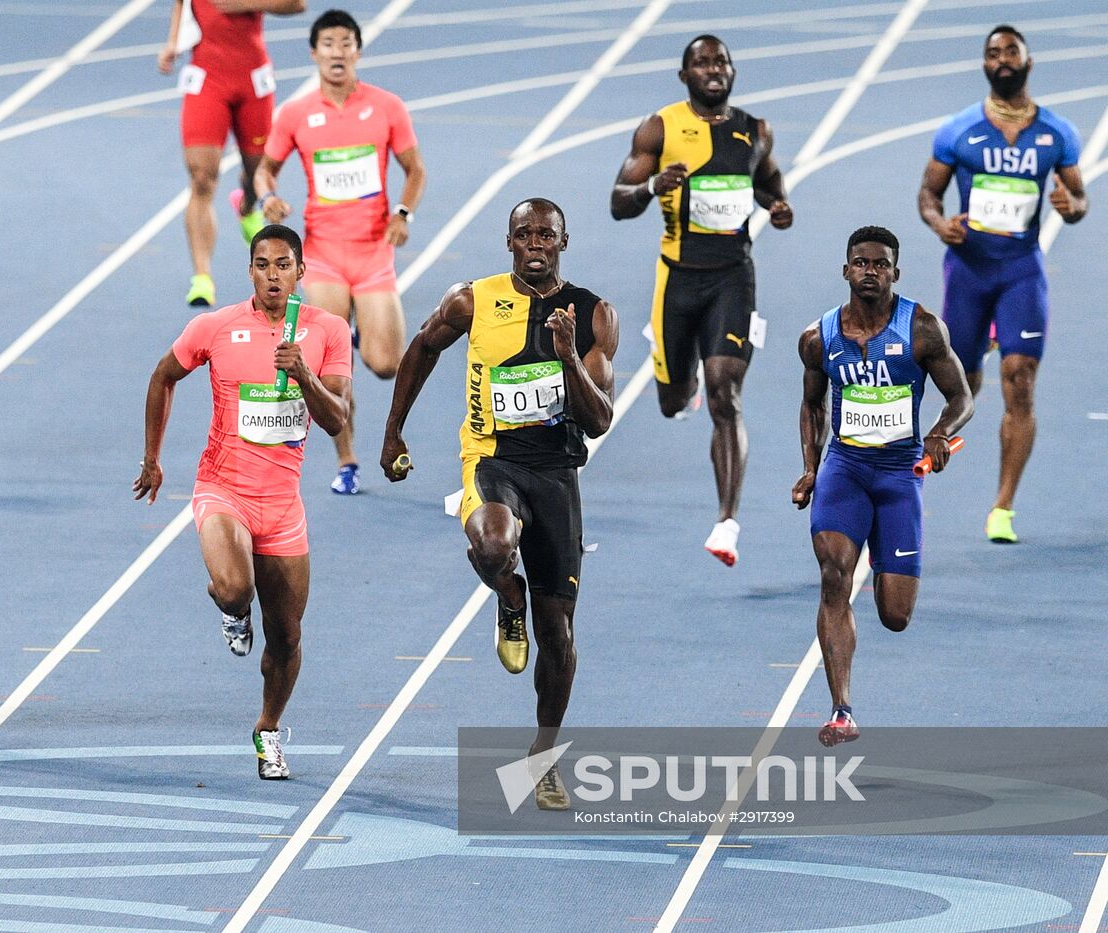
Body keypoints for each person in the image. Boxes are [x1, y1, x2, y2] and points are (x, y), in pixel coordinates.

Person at [380, 199, 618, 809]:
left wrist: (568, 355)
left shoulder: (593, 314)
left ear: (565, 239)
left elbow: (598, 422)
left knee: (559, 638)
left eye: (546, 234)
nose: (535, 243)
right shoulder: (473, 300)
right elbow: (423, 348)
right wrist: (393, 430)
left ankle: (543, 758)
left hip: (557, 473)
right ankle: (508, 596)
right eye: (523, 234)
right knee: (490, 541)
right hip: (492, 461)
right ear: (508, 242)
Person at [133, 224, 351, 780]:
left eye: (283, 265)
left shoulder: (327, 330)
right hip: (222, 488)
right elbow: (163, 376)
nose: (272, 275)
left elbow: (337, 420)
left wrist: (302, 373)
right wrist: (152, 458)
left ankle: (269, 729)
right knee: (235, 586)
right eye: (262, 264)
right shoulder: (215, 326)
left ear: (301, 272)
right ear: (249, 270)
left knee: (287, 636)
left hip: (282, 505)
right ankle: (232, 609)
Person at [610, 34, 792, 566]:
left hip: (734, 278)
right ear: (684, 75)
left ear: (732, 71)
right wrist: (651, 189)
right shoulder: (659, 128)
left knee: (724, 393)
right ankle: (675, 371)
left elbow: (769, 185)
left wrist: (778, 206)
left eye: (721, 61)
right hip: (678, 281)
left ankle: (726, 521)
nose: (714, 69)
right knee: (673, 401)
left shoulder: (755, 130)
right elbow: (617, 203)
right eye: (702, 62)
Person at [792, 227, 972, 746]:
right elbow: (811, 405)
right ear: (845, 270)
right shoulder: (817, 338)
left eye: (881, 264)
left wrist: (939, 433)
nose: (870, 271)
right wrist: (810, 467)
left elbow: (961, 398)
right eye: (860, 263)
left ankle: (887, 571)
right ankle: (841, 709)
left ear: (895, 272)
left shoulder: (922, 329)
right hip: (844, 468)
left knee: (895, 615)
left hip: (898, 476)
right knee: (834, 576)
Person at [917, 24, 1087, 544]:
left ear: (1028, 62)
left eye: (1012, 50)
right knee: (962, 383)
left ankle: (1002, 507)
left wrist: (1070, 206)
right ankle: (973, 364)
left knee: (1020, 378)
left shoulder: (1056, 134)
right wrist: (939, 223)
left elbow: (1078, 199)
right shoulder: (958, 131)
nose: (1003, 59)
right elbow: (928, 193)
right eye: (993, 52)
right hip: (968, 271)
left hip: (1021, 269)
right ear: (985, 65)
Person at [256, 8, 425, 495]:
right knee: (332, 373)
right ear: (314, 53)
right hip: (324, 255)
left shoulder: (387, 106)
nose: (337, 51)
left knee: (386, 363)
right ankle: (347, 460)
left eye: (345, 42)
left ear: (357, 50)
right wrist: (269, 195)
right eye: (327, 43)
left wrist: (402, 215)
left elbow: (415, 170)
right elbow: (266, 168)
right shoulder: (295, 114)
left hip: (373, 254)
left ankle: (355, 333)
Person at [156, 0, 306, 308]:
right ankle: (202, 278)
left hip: (252, 78)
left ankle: (247, 206)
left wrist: (241, 3)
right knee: (201, 178)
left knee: (260, 174)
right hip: (207, 75)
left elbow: (297, 3)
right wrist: (173, 42)